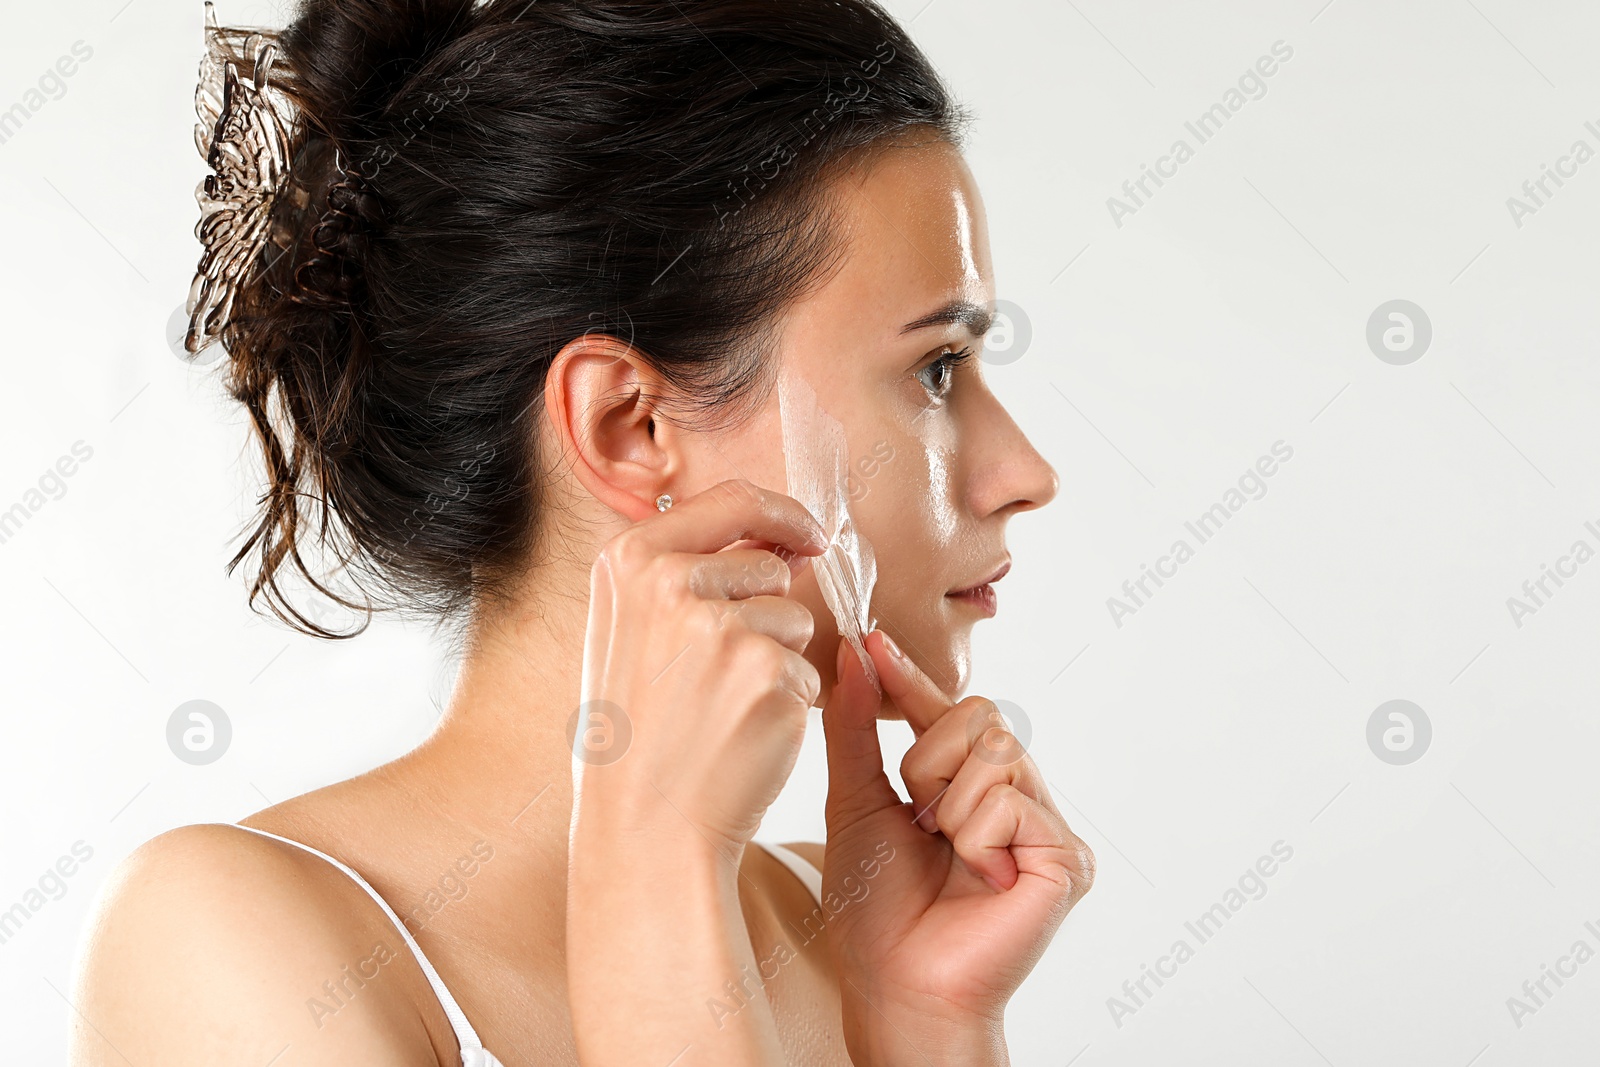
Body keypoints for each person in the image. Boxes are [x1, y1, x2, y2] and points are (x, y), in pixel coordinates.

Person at [69, 1, 1094, 1063]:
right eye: (934, 368)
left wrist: (926, 1024)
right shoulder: (224, 942)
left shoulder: (841, 926)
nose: (1026, 472)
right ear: (629, 425)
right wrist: (654, 880)